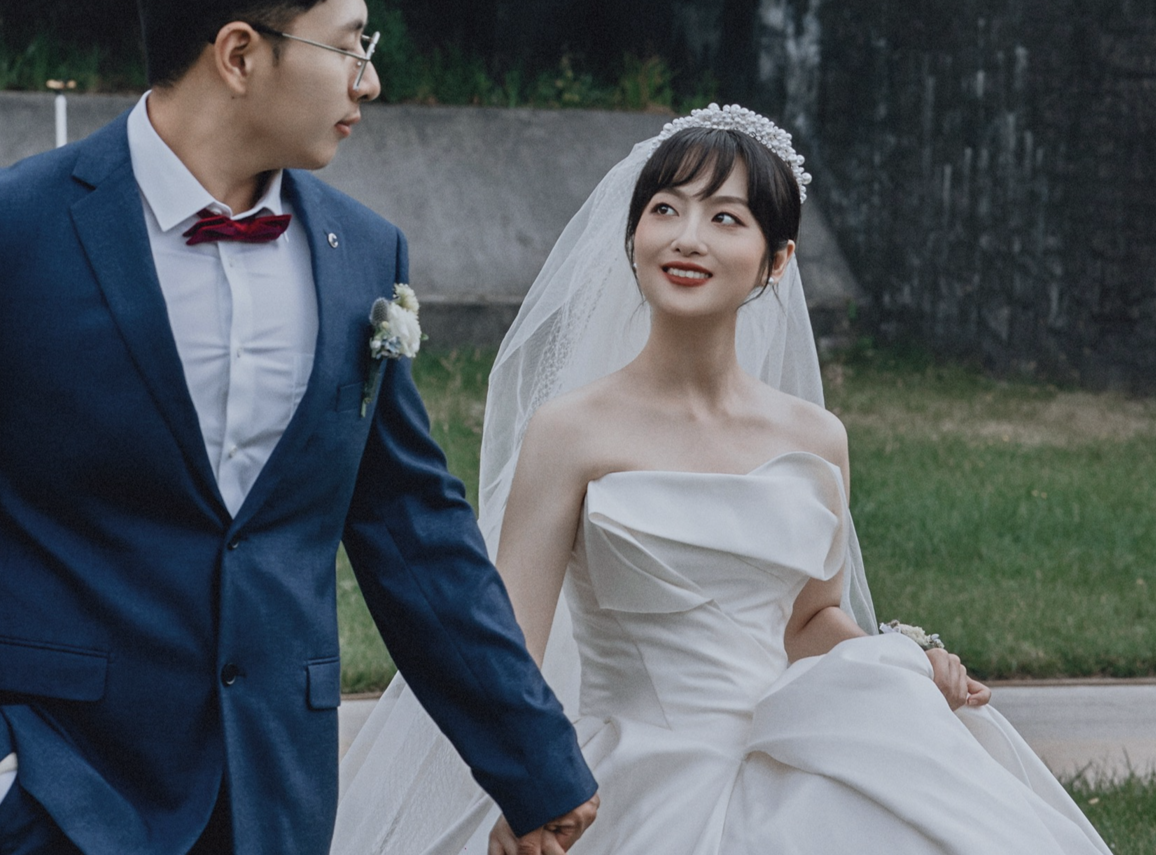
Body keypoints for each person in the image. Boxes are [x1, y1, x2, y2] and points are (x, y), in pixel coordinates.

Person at [0, 0, 600, 853]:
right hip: (54, 792)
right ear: (239, 54)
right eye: (350, 45)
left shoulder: (364, 255)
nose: (370, 80)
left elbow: (409, 525)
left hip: (274, 799)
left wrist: (533, 762)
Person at [331, 105, 1114, 854]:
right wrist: (524, 783)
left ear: (778, 260)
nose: (687, 237)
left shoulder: (816, 438)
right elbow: (510, 644)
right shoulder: (569, 431)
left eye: (726, 218)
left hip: (792, 751)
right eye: (665, 210)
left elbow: (810, 620)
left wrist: (905, 662)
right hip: (634, 772)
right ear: (633, 234)